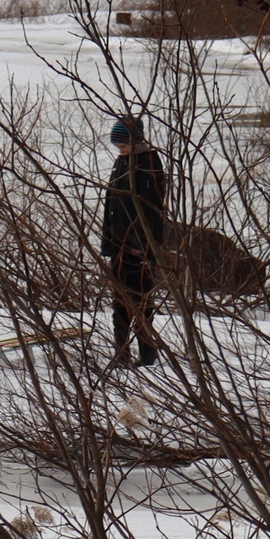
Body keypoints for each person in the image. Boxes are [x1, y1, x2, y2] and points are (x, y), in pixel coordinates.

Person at [98, 118, 167, 367]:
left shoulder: (148, 163)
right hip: (118, 242)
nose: (119, 148)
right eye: (116, 144)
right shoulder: (122, 162)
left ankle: (147, 354)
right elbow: (113, 204)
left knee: (139, 298)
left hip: (138, 245)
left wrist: (141, 242)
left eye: (123, 143)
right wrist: (108, 241)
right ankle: (121, 352)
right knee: (119, 299)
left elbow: (151, 208)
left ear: (136, 140)